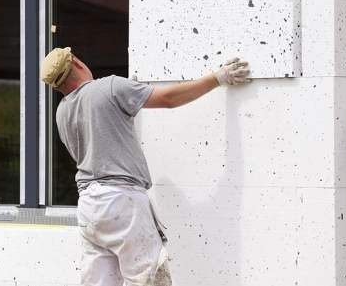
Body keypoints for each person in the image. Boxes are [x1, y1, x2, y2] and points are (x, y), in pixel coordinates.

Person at [40, 47, 251, 286]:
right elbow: (169, 99)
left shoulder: (62, 112)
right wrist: (217, 78)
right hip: (122, 203)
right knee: (146, 279)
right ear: (77, 62)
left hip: (89, 209)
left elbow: (98, 146)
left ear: (57, 87)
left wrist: (120, 106)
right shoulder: (110, 87)